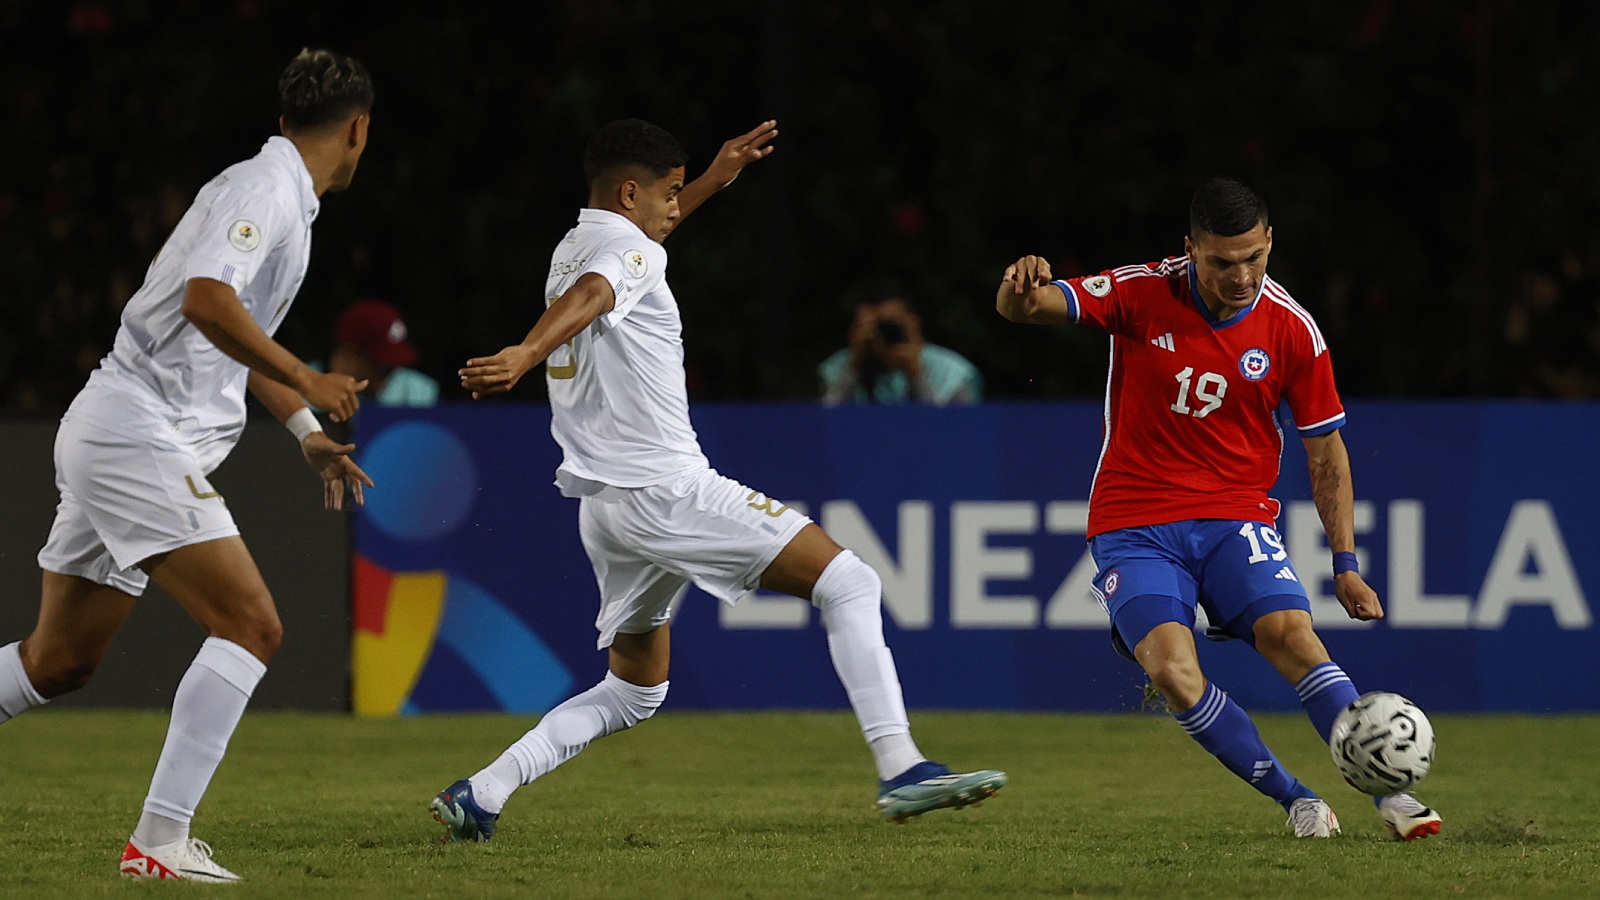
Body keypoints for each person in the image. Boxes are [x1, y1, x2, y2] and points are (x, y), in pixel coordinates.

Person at [430, 118, 1006, 842]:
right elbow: (598, 292)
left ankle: (484, 791)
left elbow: (618, 263)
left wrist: (710, 179)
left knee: (635, 690)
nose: (675, 207)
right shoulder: (616, 257)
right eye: (669, 193)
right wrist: (523, 352)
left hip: (606, 506)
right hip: (665, 489)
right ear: (630, 191)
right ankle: (901, 766)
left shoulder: (579, 239)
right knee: (850, 581)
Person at [0, 49, 376, 882]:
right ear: (358, 130)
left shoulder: (277, 194)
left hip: (119, 428)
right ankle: (158, 841)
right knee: (253, 625)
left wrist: (304, 424)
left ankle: (157, 841)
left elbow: (223, 339)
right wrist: (308, 373)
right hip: (136, 433)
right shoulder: (265, 191)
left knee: (56, 663)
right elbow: (208, 301)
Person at [996, 177, 1442, 842]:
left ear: (1269, 244)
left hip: (1236, 518)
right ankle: (1297, 801)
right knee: (1174, 675)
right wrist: (1018, 287)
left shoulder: (1293, 330)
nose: (1241, 276)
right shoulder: (1143, 291)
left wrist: (1345, 563)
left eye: (1255, 258)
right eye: (1222, 262)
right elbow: (1026, 309)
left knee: (1294, 636)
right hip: (1135, 522)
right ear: (1190, 250)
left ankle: (1391, 795)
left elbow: (1327, 454)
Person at [818, 282, 982, 405]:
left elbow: (954, 435)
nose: (880, 336)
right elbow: (824, 426)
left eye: (888, 326)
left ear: (914, 323)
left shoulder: (953, 372)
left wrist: (915, 375)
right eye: (870, 328)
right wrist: (854, 367)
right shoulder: (837, 368)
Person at [312, 298, 440, 407]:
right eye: (382, 365)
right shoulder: (301, 387)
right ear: (349, 353)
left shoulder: (418, 392)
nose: (391, 371)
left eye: (394, 365)